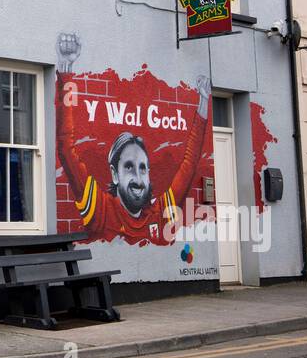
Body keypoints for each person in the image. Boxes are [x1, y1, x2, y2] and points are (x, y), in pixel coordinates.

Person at [57, 74, 211, 244]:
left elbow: (190, 164)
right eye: (129, 167)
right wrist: (65, 73)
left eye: (143, 168)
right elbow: (66, 150)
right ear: (115, 174)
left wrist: (204, 100)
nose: (138, 178)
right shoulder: (101, 210)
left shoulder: (160, 214)